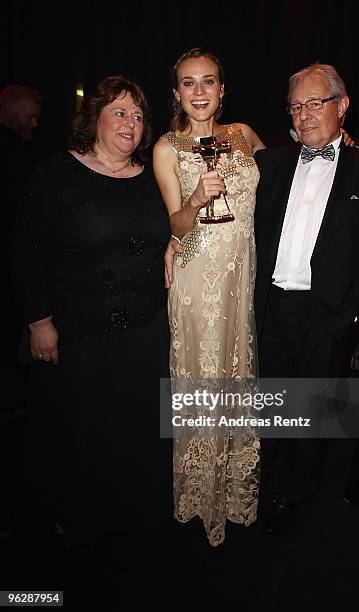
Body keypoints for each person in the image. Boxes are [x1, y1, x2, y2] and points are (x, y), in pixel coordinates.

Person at [10, 75, 171, 550]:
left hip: (145, 330)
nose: (131, 123)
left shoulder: (152, 177)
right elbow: (24, 253)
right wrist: (39, 322)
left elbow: (178, 228)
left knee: (134, 430)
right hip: (79, 331)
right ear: (94, 120)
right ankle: (72, 519)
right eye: (120, 112)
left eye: (139, 116)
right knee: (78, 433)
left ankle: (132, 514)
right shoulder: (57, 175)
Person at [253, 63, 359, 532]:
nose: (305, 114)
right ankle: (257, 485)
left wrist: (345, 320)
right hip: (271, 307)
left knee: (308, 413)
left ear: (342, 106)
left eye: (316, 102)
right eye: (297, 106)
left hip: (326, 314)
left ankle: (295, 494)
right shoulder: (268, 164)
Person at [153, 48, 265, 546]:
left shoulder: (241, 135)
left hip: (241, 277)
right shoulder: (166, 148)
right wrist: (196, 200)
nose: (199, 92)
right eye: (188, 83)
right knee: (203, 375)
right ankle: (200, 496)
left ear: (223, 90)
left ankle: (233, 491)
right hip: (198, 278)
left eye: (208, 82)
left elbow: (288, 168)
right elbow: (176, 223)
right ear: (177, 92)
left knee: (235, 373)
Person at [0, 85, 42, 367]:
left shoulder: (24, 150)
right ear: (11, 109)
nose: (34, 124)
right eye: (30, 116)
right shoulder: (12, 153)